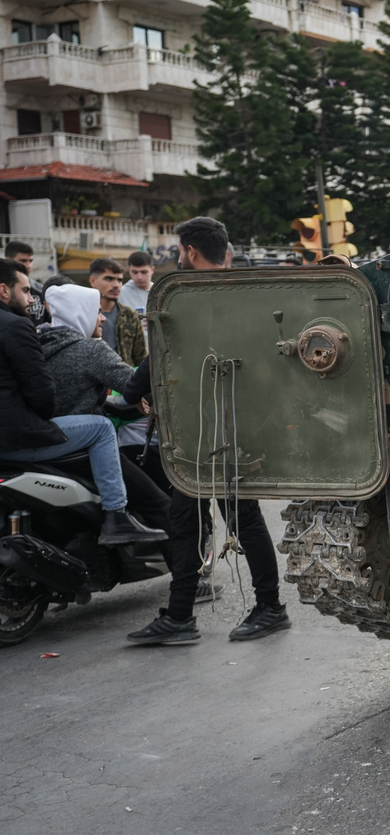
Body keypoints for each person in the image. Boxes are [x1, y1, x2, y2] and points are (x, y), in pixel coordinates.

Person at [126, 217, 285, 645]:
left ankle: (262, 607)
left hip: (195, 434)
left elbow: (146, 371)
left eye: (179, 251)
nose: (178, 258)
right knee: (231, 519)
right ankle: (188, 615)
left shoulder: (183, 300)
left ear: (190, 252)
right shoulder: (246, 295)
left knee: (204, 523)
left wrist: (134, 391)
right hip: (239, 423)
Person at [0, 258, 165, 545]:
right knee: (156, 500)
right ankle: (118, 517)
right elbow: (132, 383)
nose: (102, 318)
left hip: (25, 439)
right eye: (96, 312)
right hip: (33, 437)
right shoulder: (86, 349)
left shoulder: (42, 338)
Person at [89, 257, 145, 366]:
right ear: (93, 281)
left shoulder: (130, 315)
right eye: (109, 279)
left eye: (119, 280)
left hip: (125, 379)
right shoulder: (83, 315)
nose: (116, 285)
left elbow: (141, 358)